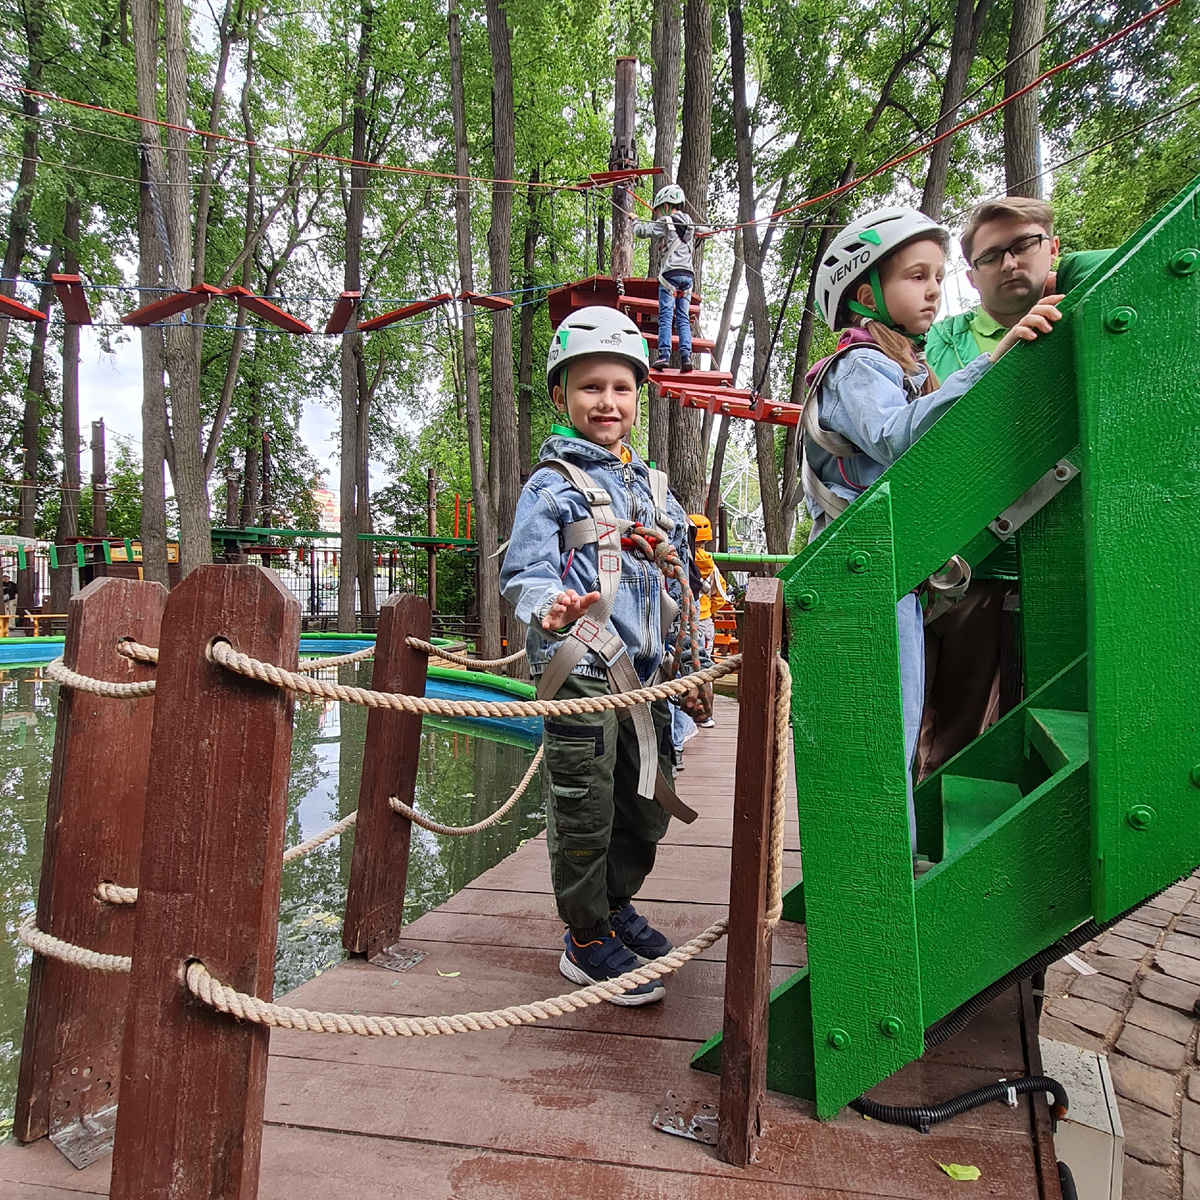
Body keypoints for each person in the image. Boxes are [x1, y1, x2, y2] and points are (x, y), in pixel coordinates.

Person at [802, 206, 1062, 857]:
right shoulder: (859, 366)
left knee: (890, 735)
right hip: (863, 579)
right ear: (865, 294)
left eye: (939, 276)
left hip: (888, 576)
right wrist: (995, 357)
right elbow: (900, 435)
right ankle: (880, 891)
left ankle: (888, 878)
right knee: (880, 741)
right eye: (916, 275)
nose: (933, 289)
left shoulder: (900, 364)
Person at [500, 305, 711, 1006]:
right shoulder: (551, 486)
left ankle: (616, 905)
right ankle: (585, 939)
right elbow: (525, 573)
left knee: (647, 805)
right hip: (583, 671)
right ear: (562, 395)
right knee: (587, 808)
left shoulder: (653, 488)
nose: (607, 402)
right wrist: (549, 606)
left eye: (621, 389)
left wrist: (694, 663)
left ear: (638, 397)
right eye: (590, 387)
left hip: (647, 676)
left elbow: (686, 580)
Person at [919, 199, 1109, 778]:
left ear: (1053, 247)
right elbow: (934, 429)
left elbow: (1136, 259)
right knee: (947, 729)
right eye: (990, 255)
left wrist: (1065, 279)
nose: (1009, 263)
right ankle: (924, 855)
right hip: (972, 564)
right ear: (971, 274)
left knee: (1041, 732)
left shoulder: (1091, 304)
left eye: (1024, 245)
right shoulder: (947, 339)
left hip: (1067, 564)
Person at [633, 184, 710, 372]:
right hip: (688, 278)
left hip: (670, 276)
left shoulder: (666, 221)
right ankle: (686, 357)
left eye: (659, 210)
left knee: (666, 315)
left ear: (666, 206)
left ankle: (664, 355)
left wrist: (634, 221)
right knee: (682, 318)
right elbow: (705, 230)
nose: (658, 214)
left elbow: (642, 232)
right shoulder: (690, 224)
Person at [688, 513, 729, 728]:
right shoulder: (711, 566)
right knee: (705, 666)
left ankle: (688, 714)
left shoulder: (684, 560)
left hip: (687, 620)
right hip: (705, 621)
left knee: (687, 666)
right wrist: (709, 610)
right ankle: (707, 713)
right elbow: (720, 596)